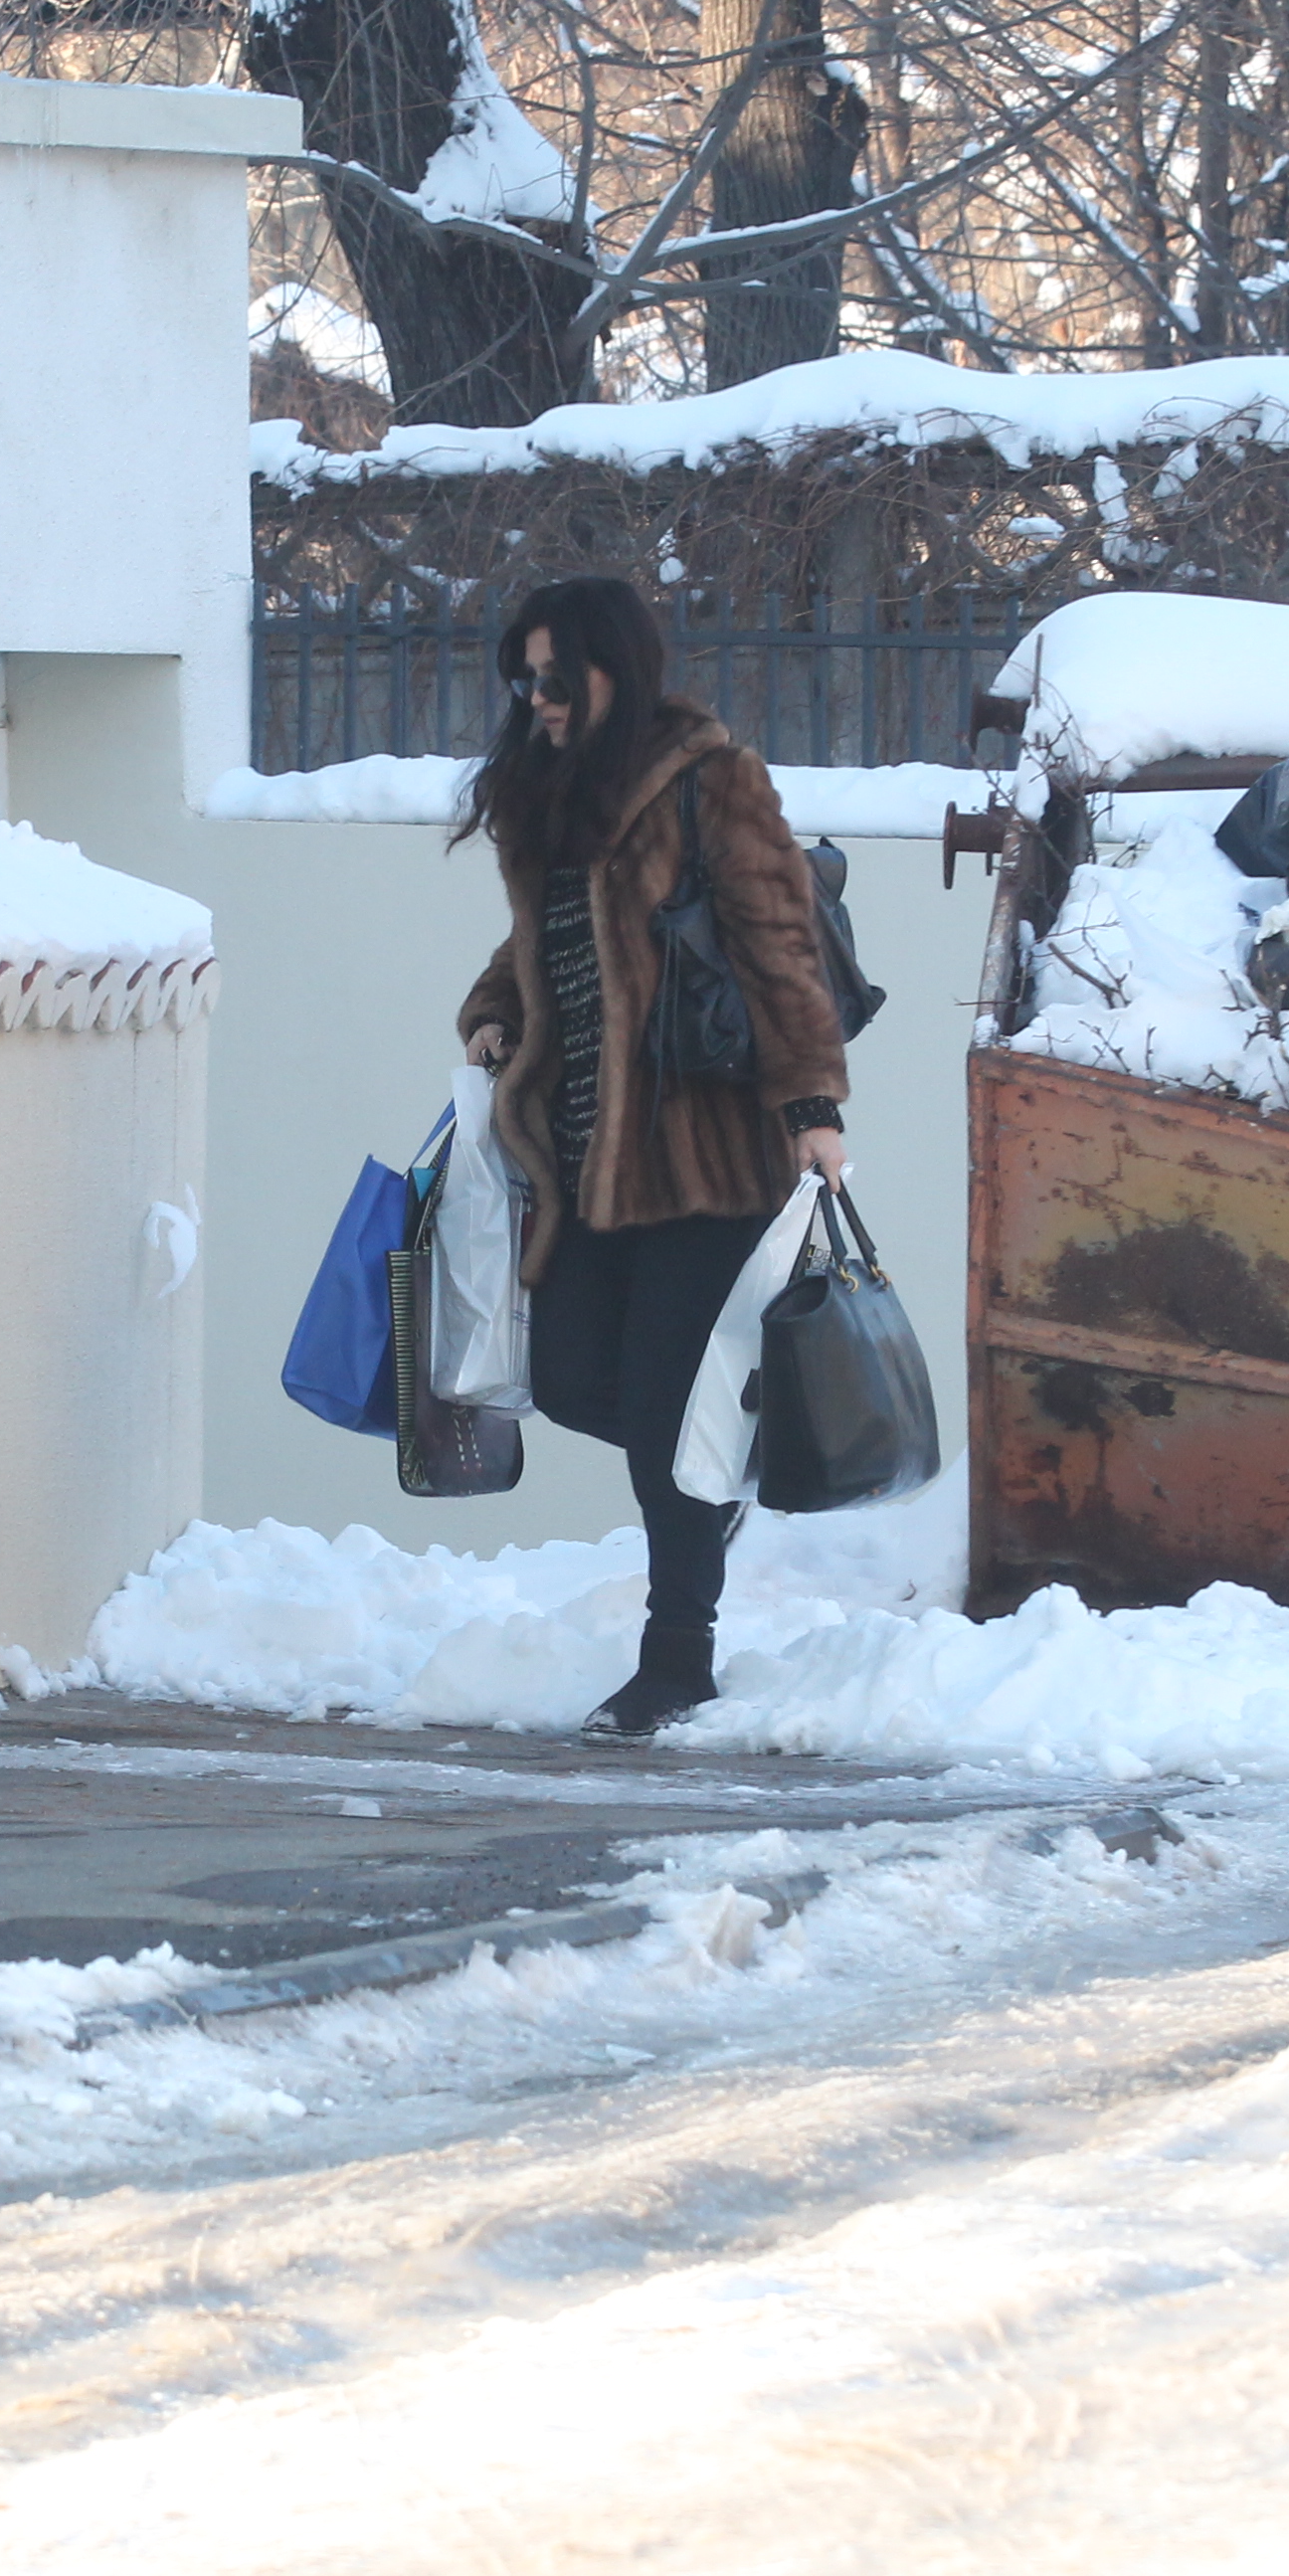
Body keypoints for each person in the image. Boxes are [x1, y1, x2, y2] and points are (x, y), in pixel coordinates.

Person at [455, 575, 854, 1738]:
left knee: (670, 1425)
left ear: (614, 667)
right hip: (583, 1160)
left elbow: (779, 944)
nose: (537, 701)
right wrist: (492, 1008)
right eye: (521, 682)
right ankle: (714, 1473)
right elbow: (541, 939)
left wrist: (813, 1105)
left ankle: (677, 1659)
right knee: (577, 1378)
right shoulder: (549, 794)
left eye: (553, 678)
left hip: (705, 1150)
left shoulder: (712, 782)